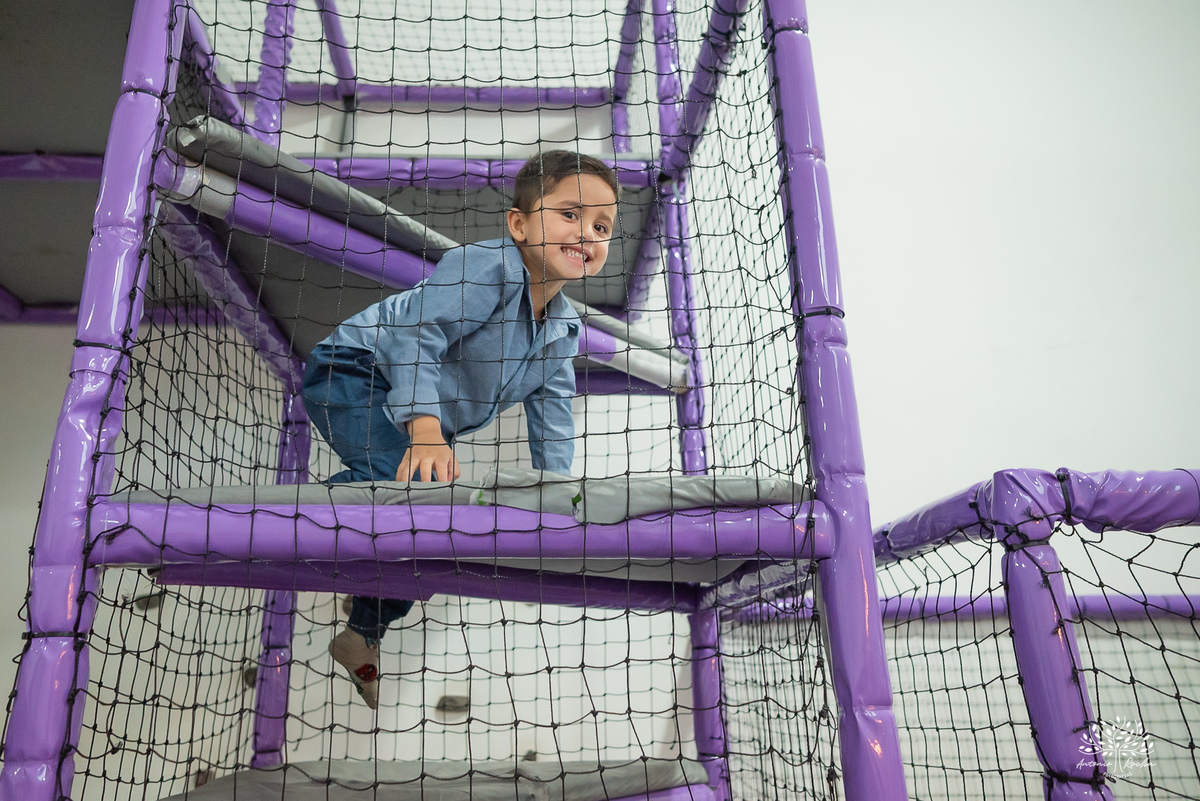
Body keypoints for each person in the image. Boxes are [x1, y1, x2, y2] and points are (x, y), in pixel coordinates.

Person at [301, 150, 620, 708]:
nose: (587, 233)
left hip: (409, 411)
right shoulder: (486, 268)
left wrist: (559, 493)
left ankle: (363, 631)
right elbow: (417, 337)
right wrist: (426, 434)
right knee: (406, 490)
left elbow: (555, 417)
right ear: (519, 225)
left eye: (601, 226)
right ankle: (293, 519)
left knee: (430, 532)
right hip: (353, 372)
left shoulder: (563, 330)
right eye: (570, 214)